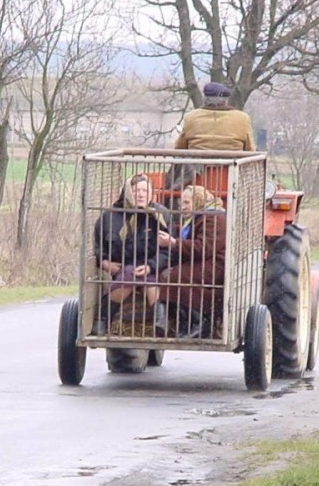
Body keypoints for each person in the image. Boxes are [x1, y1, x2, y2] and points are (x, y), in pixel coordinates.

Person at [93, 174, 170, 334]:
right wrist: (105, 263)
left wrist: (151, 266)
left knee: (149, 281)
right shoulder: (109, 216)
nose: (141, 194)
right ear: (127, 192)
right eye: (136, 190)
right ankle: (104, 319)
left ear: (151, 193)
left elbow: (168, 250)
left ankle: (160, 323)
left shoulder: (160, 215)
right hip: (122, 266)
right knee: (129, 274)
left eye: (145, 191)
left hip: (152, 266)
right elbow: (99, 246)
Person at [157, 185, 227, 338]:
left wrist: (173, 243)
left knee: (177, 277)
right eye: (181, 203)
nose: (182, 207)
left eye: (187, 202)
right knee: (168, 274)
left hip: (216, 264)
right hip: (202, 261)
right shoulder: (199, 217)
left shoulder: (214, 218)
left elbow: (204, 248)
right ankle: (180, 322)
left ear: (199, 201)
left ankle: (200, 322)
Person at [167, 82, 256, 190]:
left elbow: (180, 147)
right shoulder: (242, 118)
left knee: (170, 181)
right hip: (232, 174)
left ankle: (169, 198)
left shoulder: (191, 117)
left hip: (193, 176)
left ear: (205, 99)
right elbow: (250, 149)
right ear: (225, 100)